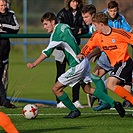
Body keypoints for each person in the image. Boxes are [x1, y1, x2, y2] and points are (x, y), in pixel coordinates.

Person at [27, 12, 125, 118]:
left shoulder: (56, 34)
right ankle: (114, 103)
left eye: (46, 24)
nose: (44, 27)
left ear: (53, 22)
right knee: (87, 89)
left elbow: (47, 52)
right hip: (83, 61)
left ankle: (74, 110)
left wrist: (34, 63)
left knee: (56, 89)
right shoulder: (64, 26)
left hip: (76, 65)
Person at [77, 12, 133, 114]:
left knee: (110, 84)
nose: (94, 27)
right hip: (116, 65)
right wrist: (82, 53)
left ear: (102, 25)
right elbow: (89, 45)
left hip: (124, 63)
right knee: (126, 89)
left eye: (95, 25)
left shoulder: (119, 33)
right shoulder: (97, 35)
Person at [92, 0, 133, 111]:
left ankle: (103, 99)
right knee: (95, 76)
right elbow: (100, 40)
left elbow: (128, 32)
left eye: (115, 11)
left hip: (118, 55)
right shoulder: (102, 18)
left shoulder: (121, 18)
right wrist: (89, 54)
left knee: (115, 83)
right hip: (106, 54)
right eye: (111, 11)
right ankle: (103, 100)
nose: (113, 13)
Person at [53, 0, 88, 108]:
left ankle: (76, 100)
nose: (75, 4)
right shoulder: (62, 13)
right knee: (60, 73)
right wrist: (76, 29)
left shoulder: (81, 13)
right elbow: (61, 29)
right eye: (73, 1)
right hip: (61, 48)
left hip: (74, 48)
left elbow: (86, 28)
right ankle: (59, 101)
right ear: (68, 2)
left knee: (76, 74)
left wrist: (79, 30)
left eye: (77, 1)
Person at [0, 0, 20, 108]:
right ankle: (4, 101)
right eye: (1, 5)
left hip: (4, 50)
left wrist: (3, 27)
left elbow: (16, 28)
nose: (3, 7)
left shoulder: (11, 14)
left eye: (4, 5)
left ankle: (3, 101)